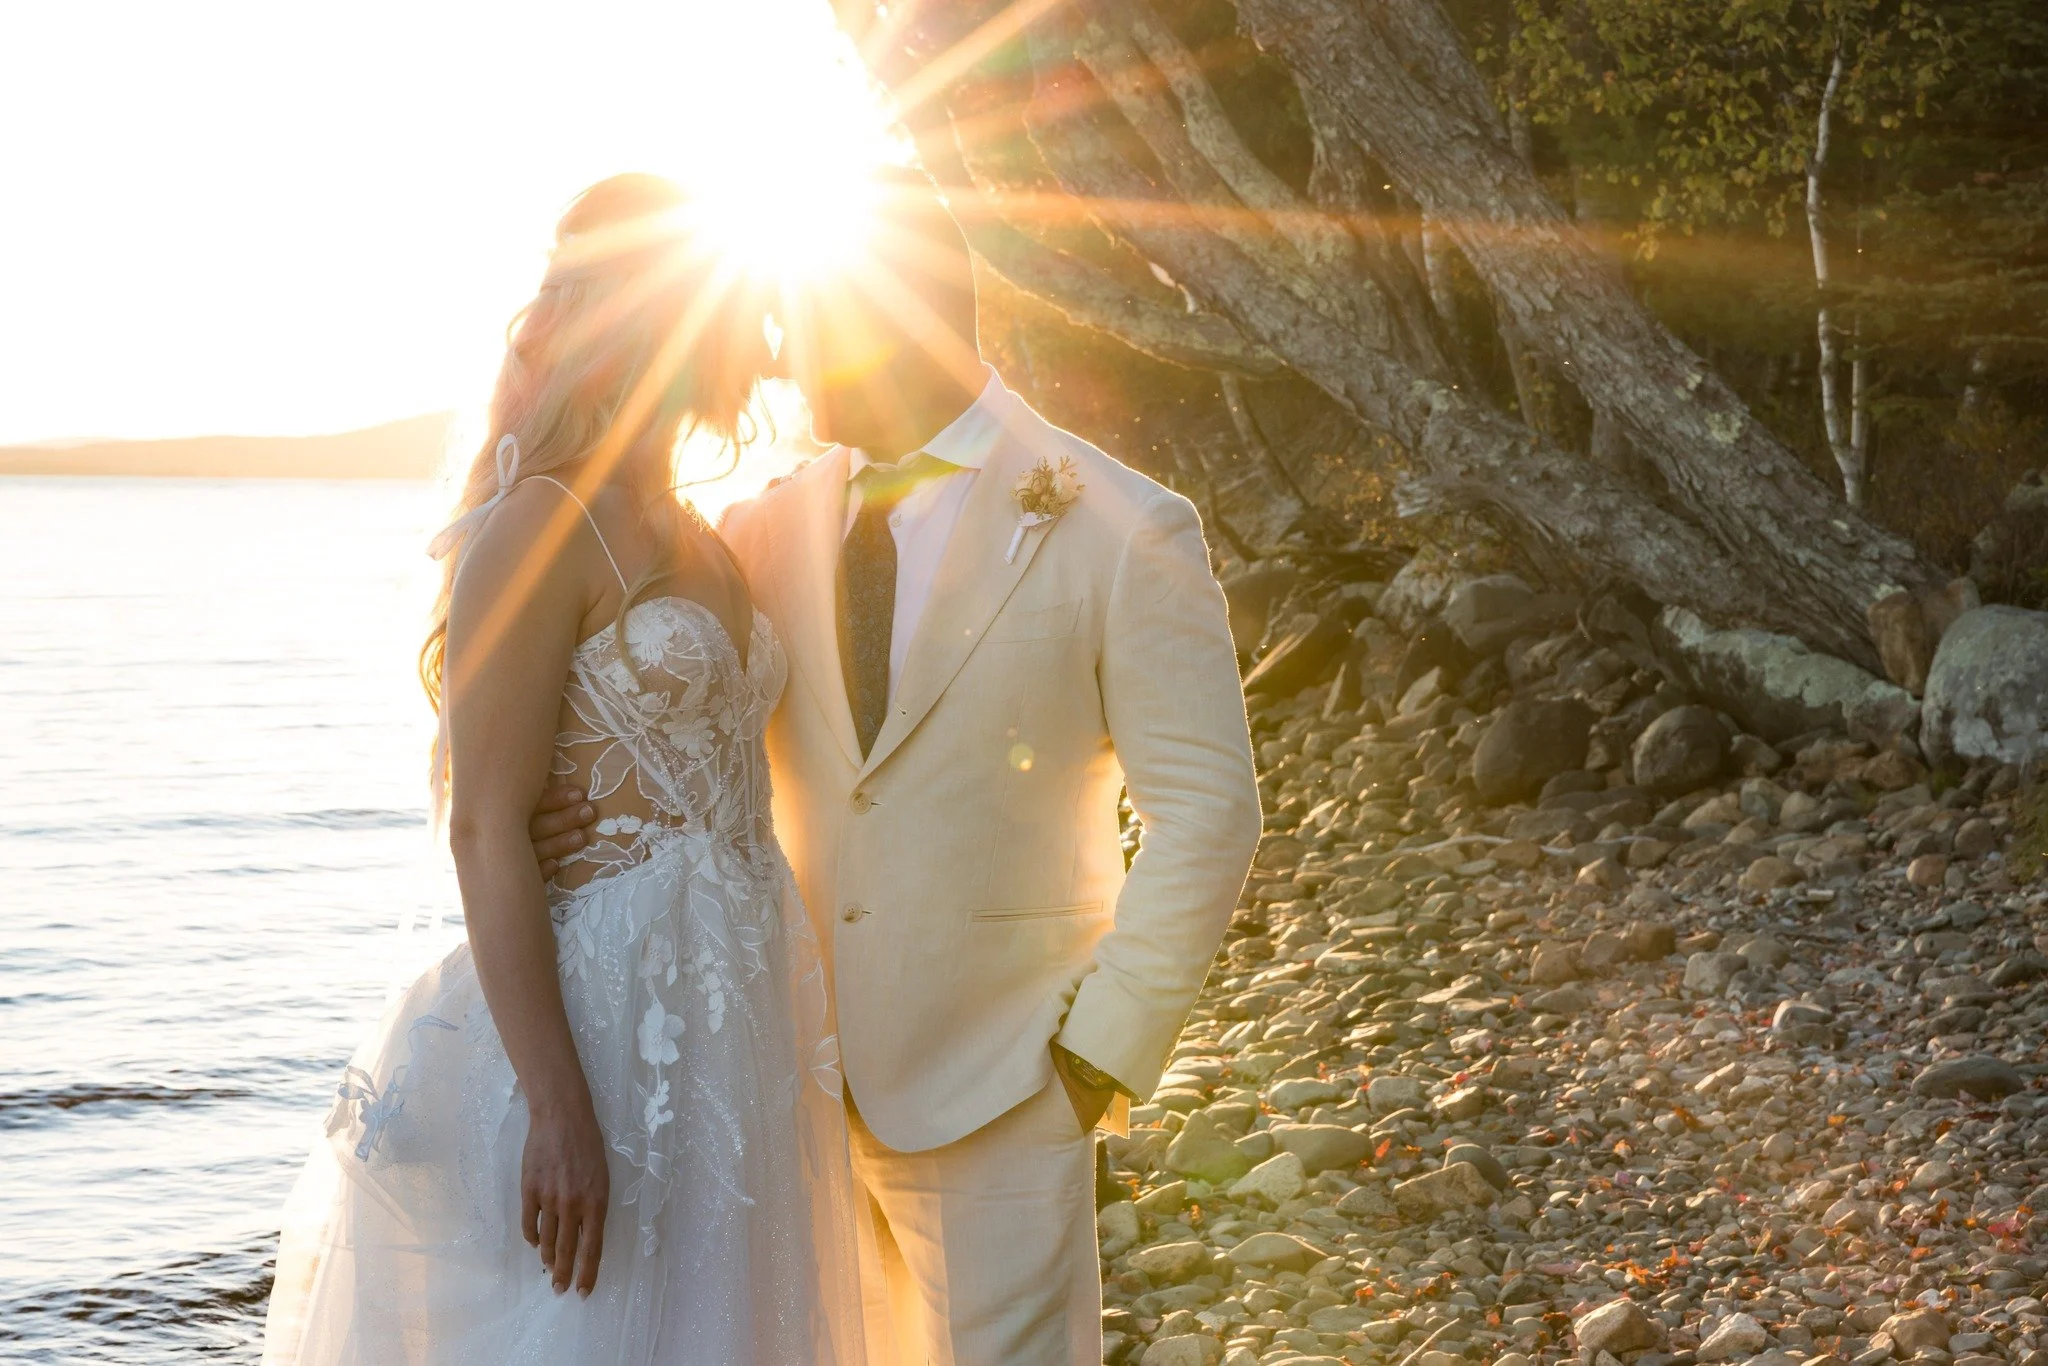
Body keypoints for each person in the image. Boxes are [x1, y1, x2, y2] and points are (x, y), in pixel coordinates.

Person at [531, 168, 1263, 1365]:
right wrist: (553, 819)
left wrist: (1096, 1055)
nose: (777, 360)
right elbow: (656, 716)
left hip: (1003, 1087)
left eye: (803, 326)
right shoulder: (760, 528)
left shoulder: (1124, 527)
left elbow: (1208, 811)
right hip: (786, 1089)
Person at [262, 174, 864, 1366]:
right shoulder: (541, 523)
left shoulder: (701, 532)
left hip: (738, 998)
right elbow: (484, 825)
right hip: (607, 1016)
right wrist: (557, 1104)